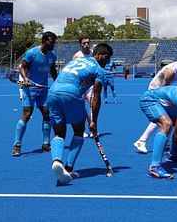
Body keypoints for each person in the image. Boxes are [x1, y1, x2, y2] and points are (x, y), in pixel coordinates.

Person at [47, 43, 112, 184]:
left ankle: (57, 161)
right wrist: (94, 121)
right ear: (99, 54)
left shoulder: (75, 60)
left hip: (53, 92)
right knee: (78, 130)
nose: (107, 62)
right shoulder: (98, 69)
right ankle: (68, 168)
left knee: (59, 132)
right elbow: (96, 96)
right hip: (70, 93)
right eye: (106, 58)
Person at [133, 51, 177, 153]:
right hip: (155, 90)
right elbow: (162, 89)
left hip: (167, 91)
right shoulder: (171, 71)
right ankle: (141, 141)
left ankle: (162, 141)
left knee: (171, 118)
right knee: (164, 117)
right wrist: (171, 101)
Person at [12, 31, 58, 157]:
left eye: (54, 42)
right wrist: (25, 79)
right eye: (51, 41)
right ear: (43, 41)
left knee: (46, 114)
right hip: (29, 88)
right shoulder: (32, 53)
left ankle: (46, 143)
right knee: (27, 114)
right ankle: (17, 145)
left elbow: (53, 70)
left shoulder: (52, 55)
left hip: (42, 89)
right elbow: (22, 67)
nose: (53, 44)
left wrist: (58, 82)